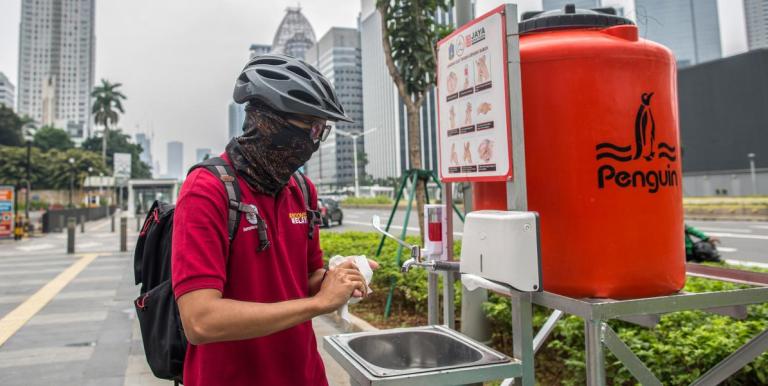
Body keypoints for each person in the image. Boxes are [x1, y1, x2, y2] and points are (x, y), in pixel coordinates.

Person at [172, 54, 377, 386]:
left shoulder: (302, 190)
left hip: (304, 375)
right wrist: (319, 304)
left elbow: (307, 278)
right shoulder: (207, 190)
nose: (314, 141)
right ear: (267, 123)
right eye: (311, 127)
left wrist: (339, 277)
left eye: (320, 130)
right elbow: (200, 321)